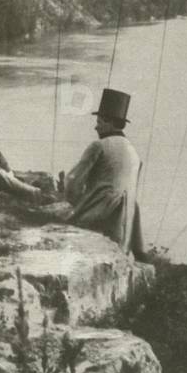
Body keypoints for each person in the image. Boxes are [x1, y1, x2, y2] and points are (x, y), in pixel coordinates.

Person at [64, 88, 148, 261]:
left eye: (99, 121)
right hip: (126, 225)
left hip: (99, 216)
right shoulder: (133, 152)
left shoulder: (99, 145)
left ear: (110, 123)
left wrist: (75, 202)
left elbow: (72, 181)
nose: (96, 126)